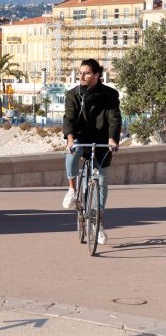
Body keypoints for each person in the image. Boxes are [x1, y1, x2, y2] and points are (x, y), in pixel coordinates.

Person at [61, 58, 121, 245]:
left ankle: (98, 224)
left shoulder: (110, 94)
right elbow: (68, 118)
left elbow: (114, 118)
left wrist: (113, 139)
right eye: (80, 73)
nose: (82, 76)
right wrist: (70, 139)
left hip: (102, 140)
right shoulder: (73, 94)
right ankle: (72, 189)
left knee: (101, 183)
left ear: (97, 75)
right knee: (73, 152)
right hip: (80, 136)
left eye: (86, 73)